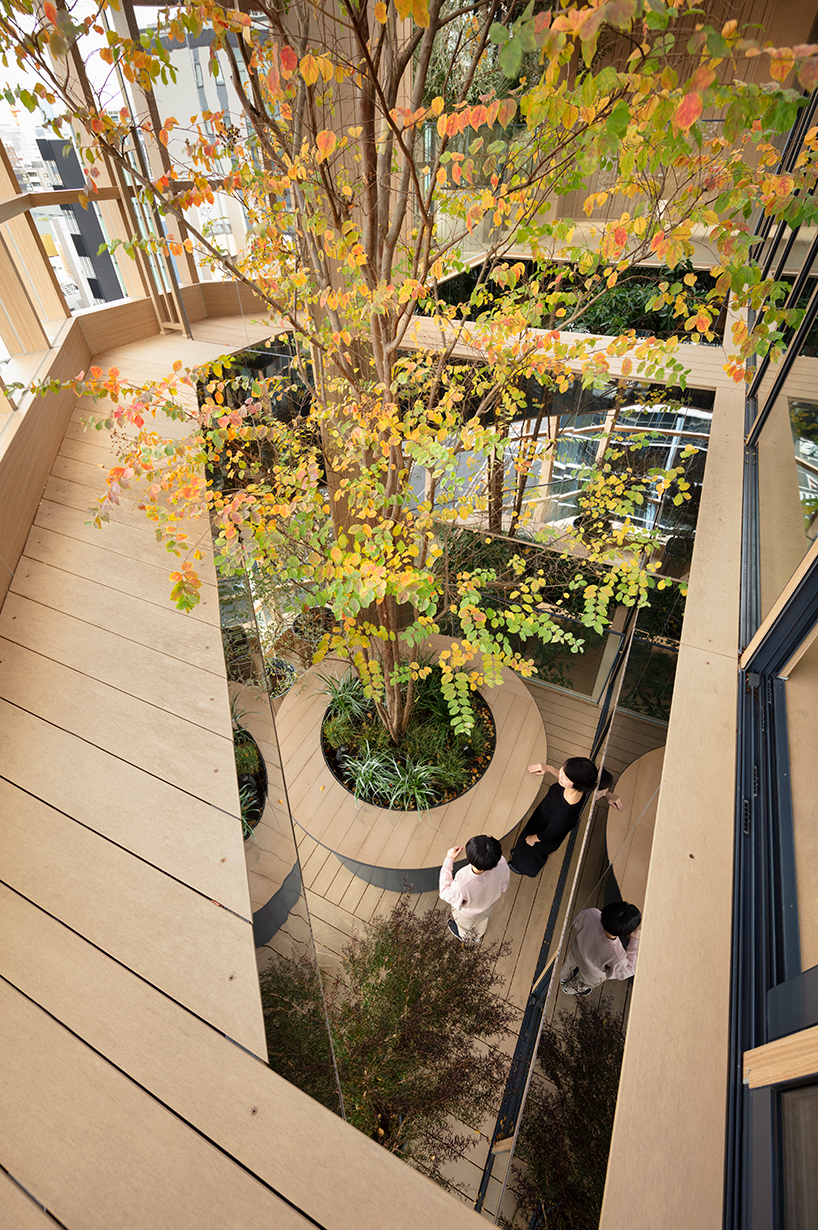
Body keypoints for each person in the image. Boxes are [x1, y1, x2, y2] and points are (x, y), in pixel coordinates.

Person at [507, 758, 599, 877]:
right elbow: (564, 779)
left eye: (565, 777)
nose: (560, 774)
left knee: (531, 852)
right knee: (523, 844)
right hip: (541, 820)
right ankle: (520, 852)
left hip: (542, 836)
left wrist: (533, 838)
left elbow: (549, 834)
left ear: (577, 784)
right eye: (562, 769)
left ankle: (522, 867)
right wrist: (549, 768)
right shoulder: (576, 790)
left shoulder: (565, 813)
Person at [559, 902, 642, 996]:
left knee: (569, 964)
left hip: (577, 948)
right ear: (625, 933)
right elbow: (628, 970)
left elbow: (577, 923)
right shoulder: (616, 955)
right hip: (593, 972)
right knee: (583, 983)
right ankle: (567, 989)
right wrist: (635, 940)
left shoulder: (592, 913)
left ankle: (563, 977)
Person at [439, 835, 510, 943]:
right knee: (482, 921)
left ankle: (466, 937)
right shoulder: (502, 863)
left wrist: (449, 859)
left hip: (468, 914)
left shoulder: (463, 882)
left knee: (464, 926)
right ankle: (479, 934)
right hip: (488, 906)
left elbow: (444, 892)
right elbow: (504, 885)